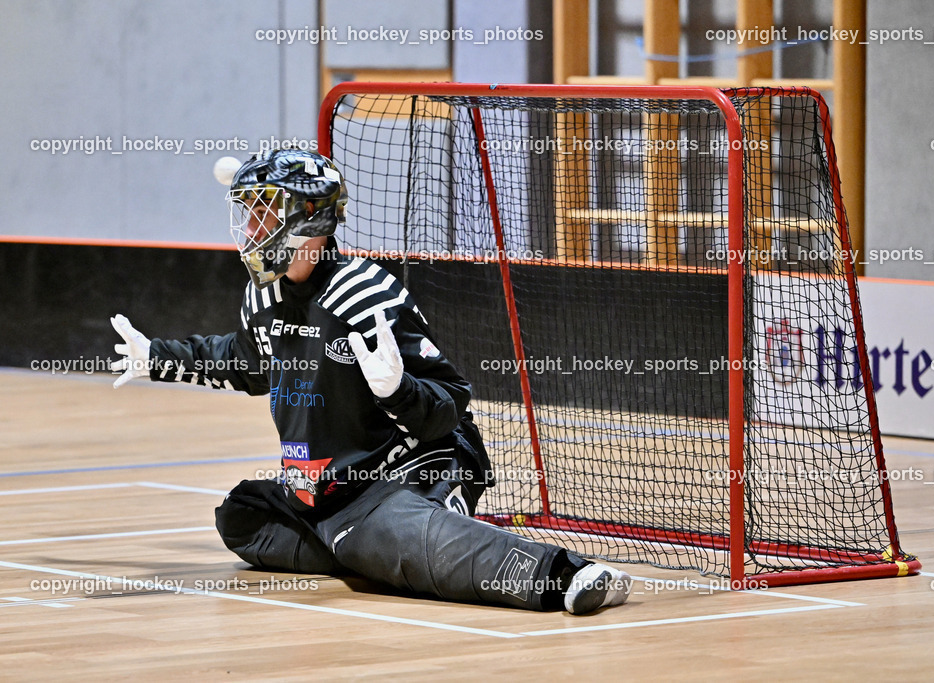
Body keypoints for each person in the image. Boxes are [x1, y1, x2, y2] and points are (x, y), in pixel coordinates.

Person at [110, 148, 631, 614]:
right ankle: (368, 545)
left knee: (411, 541)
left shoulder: (365, 294)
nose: (249, 229)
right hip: (330, 491)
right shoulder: (262, 296)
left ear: (306, 222)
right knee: (241, 516)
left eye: (262, 211)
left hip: (415, 463)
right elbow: (249, 361)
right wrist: (157, 357)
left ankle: (564, 574)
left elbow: (449, 404)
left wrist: (395, 389)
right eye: (247, 212)